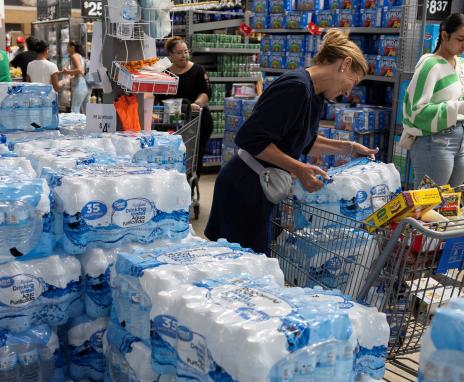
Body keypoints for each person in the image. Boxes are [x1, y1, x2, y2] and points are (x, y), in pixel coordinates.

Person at [204, 29, 377, 254]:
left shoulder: (316, 96)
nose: (348, 91)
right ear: (344, 64)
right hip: (244, 187)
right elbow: (250, 138)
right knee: (239, 266)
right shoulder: (295, 87)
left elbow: (305, 141)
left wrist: (348, 148)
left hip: (264, 187)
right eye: (352, 81)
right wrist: (299, 168)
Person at [399, 13, 464, 188]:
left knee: (450, 204)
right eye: (461, 39)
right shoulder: (430, 66)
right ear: (445, 35)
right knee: (428, 204)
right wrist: (459, 109)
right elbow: (414, 112)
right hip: (434, 142)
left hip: (461, 142)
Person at [154, 36, 212, 173]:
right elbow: (157, 95)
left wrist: (196, 104)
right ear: (170, 55)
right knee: (170, 158)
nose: (184, 55)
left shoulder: (198, 70)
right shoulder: (164, 73)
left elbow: (206, 92)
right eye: (179, 52)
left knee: (193, 159)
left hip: (196, 122)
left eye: (186, 52)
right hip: (171, 122)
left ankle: (190, 187)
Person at [63, 41, 90, 114]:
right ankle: (88, 125)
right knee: (86, 111)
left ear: (73, 47)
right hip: (85, 84)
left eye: (68, 47)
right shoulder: (80, 56)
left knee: (75, 109)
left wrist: (67, 71)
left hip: (79, 84)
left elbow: (79, 70)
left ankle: (76, 125)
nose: (67, 49)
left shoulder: (74, 56)